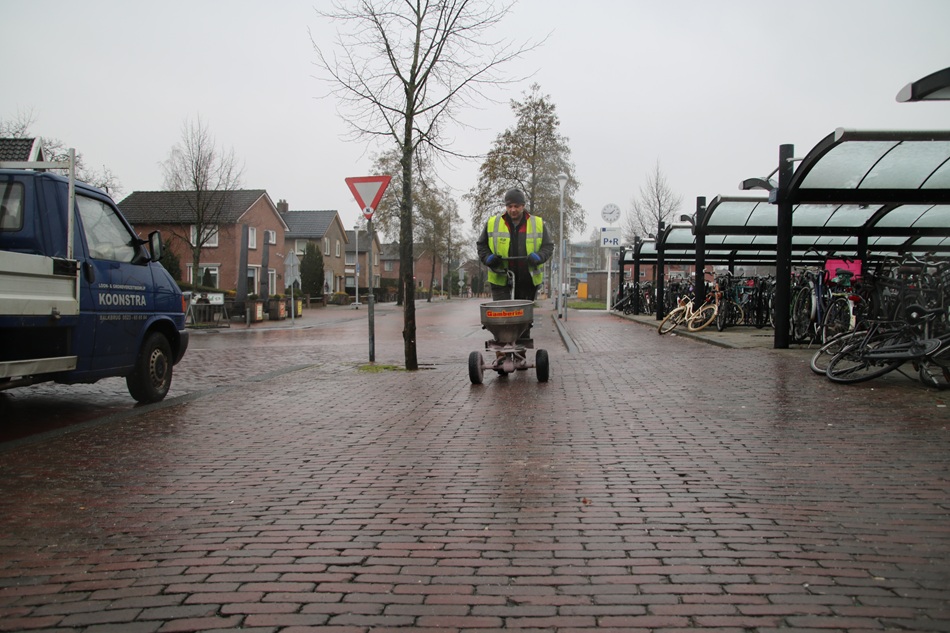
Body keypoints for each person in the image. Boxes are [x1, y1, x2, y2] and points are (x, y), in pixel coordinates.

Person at [476, 188, 554, 301]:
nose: (513, 210)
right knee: (503, 315)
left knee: (522, 316)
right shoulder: (493, 223)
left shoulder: (537, 223)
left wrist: (539, 257)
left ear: (523, 206)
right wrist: (488, 258)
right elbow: (481, 245)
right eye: (509, 206)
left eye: (516, 206)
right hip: (500, 278)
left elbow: (548, 246)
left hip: (527, 280)